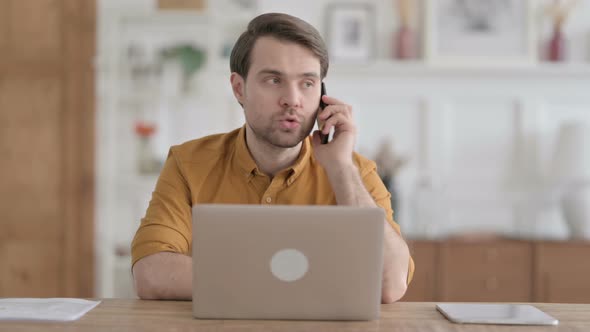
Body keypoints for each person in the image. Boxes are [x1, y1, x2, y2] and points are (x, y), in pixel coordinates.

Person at [131, 12, 414, 304]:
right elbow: (152, 274)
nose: (293, 99)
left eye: (307, 83)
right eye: (274, 80)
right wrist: (298, 283)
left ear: (323, 94)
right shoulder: (187, 163)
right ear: (239, 88)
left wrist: (340, 168)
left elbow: (390, 284)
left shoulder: (355, 172)